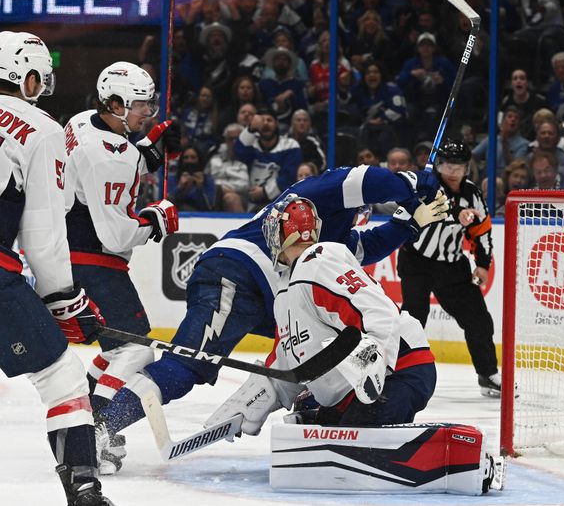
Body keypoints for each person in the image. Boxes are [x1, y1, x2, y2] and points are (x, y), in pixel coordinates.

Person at [95, 164, 447, 470]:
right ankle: (102, 426)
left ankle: (101, 423)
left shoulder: (318, 254)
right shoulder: (315, 197)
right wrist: (414, 185)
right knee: (186, 364)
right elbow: (371, 179)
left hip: (260, 286)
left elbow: (367, 252)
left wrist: (407, 223)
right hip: (236, 271)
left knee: (303, 348)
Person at [205, 200, 502, 496]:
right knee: (313, 428)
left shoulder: (319, 262)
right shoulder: (285, 291)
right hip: (356, 389)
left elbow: (378, 312)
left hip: (400, 370)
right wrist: (251, 402)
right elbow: (288, 362)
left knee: (349, 453)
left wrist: (374, 356)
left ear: (278, 235)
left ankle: (468, 460)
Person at [0, 31, 113, 505]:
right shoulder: (41, 128)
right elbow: (43, 236)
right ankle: (83, 490)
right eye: (39, 80)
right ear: (25, 77)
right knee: (63, 377)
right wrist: (66, 300)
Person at [64, 61, 181, 432]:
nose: (149, 112)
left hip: (68, 253)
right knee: (137, 349)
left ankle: (79, 421)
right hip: (93, 261)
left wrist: (150, 153)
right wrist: (154, 222)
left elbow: (114, 160)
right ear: (116, 105)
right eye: (141, 104)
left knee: (117, 350)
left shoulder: (82, 121)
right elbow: (115, 236)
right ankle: (95, 431)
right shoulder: (108, 157)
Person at [397, 139, 501, 397]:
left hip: (452, 265)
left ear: (467, 168)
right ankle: (398, 372)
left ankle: (488, 374)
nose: (452, 170)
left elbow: (482, 231)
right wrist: (458, 215)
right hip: (416, 261)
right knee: (413, 319)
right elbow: (435, 213)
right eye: (447, 164)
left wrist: (483, 264)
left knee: (478, 319)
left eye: (458, 166)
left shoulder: (473, 194)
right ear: (439, 165)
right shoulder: (427, 187)